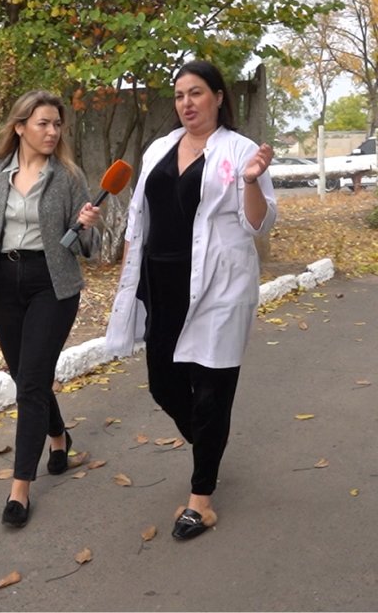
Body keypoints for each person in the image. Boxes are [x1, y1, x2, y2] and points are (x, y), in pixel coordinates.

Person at [104, 59, 277, 541]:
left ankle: (201, 501)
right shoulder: (159, 148)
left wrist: (250, 181)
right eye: (180, 95)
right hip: (161, 284)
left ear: (218, 97)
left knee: (212, 390)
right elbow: (138, 216)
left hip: (220, 286)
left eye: (196, 92)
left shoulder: (241, 151)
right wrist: (125, 276)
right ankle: (209, 444)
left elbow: (258, 223)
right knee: (163, 384)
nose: (186, 103)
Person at [0, 89, 101, 529]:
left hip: (52, 285)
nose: (53, 131)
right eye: (43, 123)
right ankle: (58, 437)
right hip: (3, 283)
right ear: (20, 127)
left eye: (57, 124)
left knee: (31, 383)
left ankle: (20, 488)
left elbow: (87, 246)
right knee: (26, 377)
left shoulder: (68, 176)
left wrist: (87, 226)